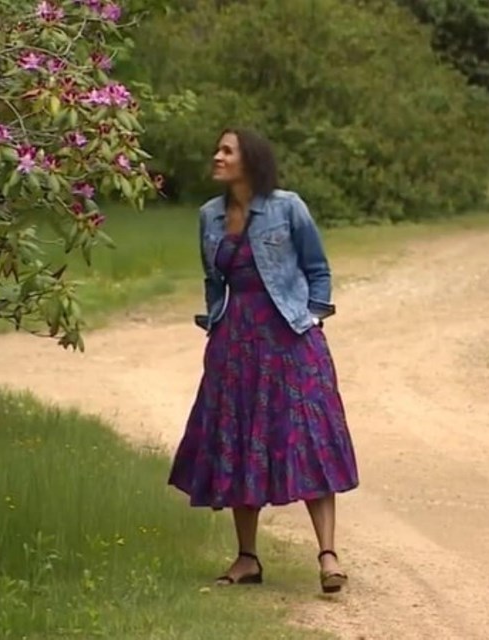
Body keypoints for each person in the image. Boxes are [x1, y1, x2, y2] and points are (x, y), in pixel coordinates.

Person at [168, 128, 359, 593]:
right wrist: (216, 328)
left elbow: (318, 269)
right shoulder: (209, 216)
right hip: (236, 342)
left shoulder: (287, 207)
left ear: (248, 160)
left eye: (226, 151)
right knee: (239, 439)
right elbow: (213, 282)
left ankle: (328, 556)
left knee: (308, 437)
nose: (217, 156)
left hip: (291, 338)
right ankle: (248, 558)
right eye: (217, 148)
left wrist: (312, 320)